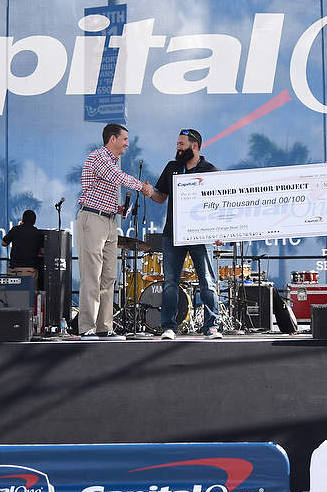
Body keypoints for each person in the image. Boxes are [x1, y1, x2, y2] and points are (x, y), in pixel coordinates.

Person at [77, 123, 154, 340]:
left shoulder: (112, 161)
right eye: (124, 139)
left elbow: (106, 185)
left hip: (109, 220)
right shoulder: (99, 157)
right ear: (113, 139)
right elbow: (116, 177)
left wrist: (117, 208)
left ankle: (104, 327)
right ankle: (87, 327)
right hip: (93, 219)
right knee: (92, 274)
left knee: (109, 275)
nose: (127, 144)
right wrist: (142, 186)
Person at [149, 129, 222, 340]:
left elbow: (220, 205)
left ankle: (212, 326)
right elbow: (161, 197)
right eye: (177, 144)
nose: (178, 147)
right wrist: (149, 191)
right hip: (173, 234)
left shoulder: (211, 170)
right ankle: (168, 327)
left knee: (207, 281)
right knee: (170, 282)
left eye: (181, 144)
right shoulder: (172, 167)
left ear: (194, 146)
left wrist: (220, 230)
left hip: (201, 236)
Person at [1, 209, 44, 284]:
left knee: (13, 291)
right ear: (34, 221)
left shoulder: (15, 229)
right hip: (30, 270)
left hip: (14, 270)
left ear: (23, 219)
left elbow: (3, 243)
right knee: (31, 291)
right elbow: (42, 251)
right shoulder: (38, 233)